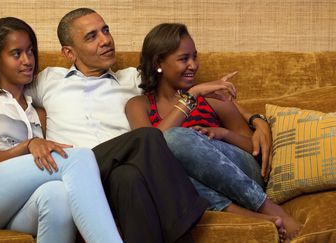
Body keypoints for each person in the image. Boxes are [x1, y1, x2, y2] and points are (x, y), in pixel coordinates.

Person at [0, 8, 272, 243]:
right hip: (76, 168)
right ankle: (190, 220)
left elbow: (184, 78)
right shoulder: (46, 79)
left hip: (117, 171)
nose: (106, 40)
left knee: (136, 163)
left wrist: (255, 119)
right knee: (144, 140)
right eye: (92, 36)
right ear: (69, 51)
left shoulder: (133, 79)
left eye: (106, 30)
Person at [0, 17, 124, 243]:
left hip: (13, 204)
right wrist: (29, 145)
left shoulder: (39, 113)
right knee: (79, 157)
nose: (27, 61)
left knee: (58, 196)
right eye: (16, 54)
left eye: (30, 52)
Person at [125, 22, 303, 240]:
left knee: (175, 138)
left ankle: (266, 206)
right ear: (158, 63)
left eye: (195, 57)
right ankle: (248, 216)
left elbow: (253, 149)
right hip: (189, 185)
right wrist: (191, 98)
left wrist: (223, 133)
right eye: (183, 59)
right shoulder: (138, 104)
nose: (193, 65)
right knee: (162, 167)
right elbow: (148, 148)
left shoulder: (213, 98)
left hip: (240, 174)